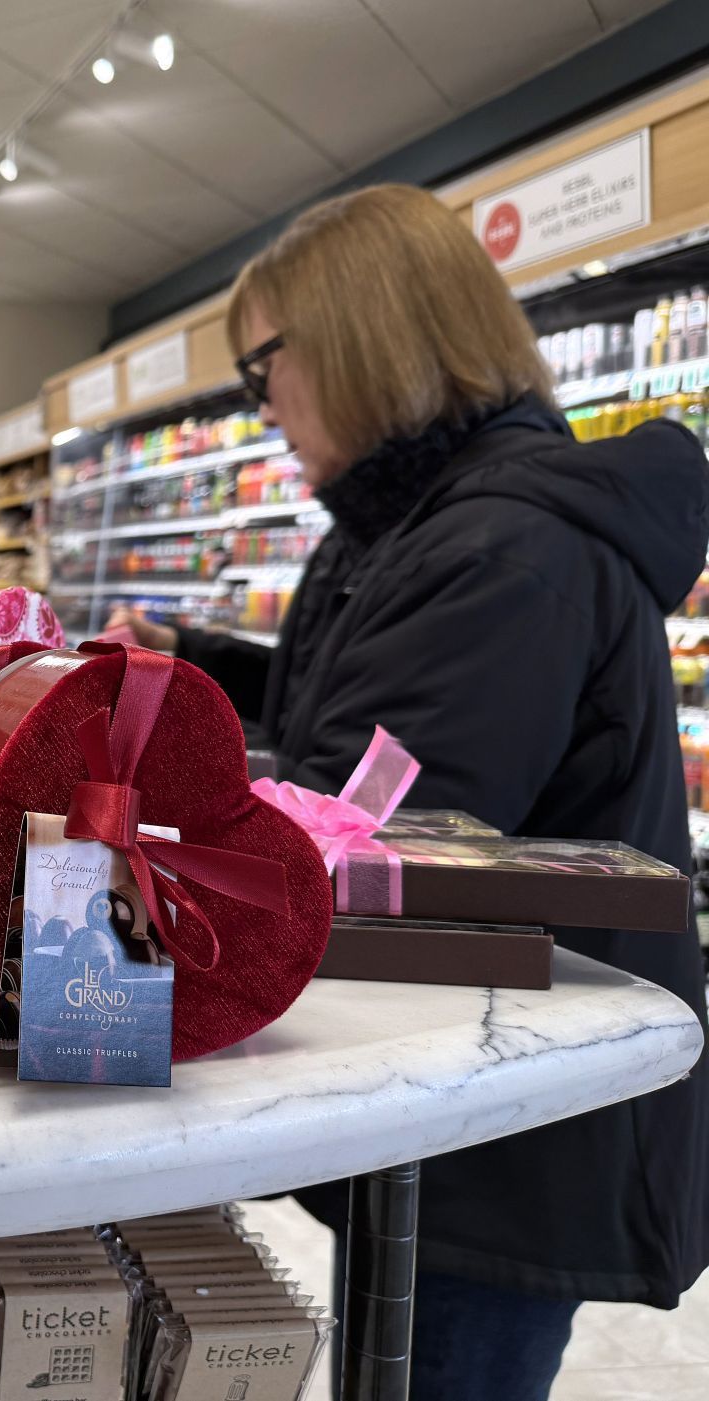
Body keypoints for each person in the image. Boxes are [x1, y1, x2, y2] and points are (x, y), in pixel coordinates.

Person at [109, 184, 709, 1400]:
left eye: (262, 367)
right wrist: (210, 669)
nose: (259, 404)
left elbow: (374, 823)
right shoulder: (415, 524)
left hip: (507, 1126)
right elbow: (373, 713)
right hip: (462, 1085)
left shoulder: (502, 549)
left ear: (360, 336)